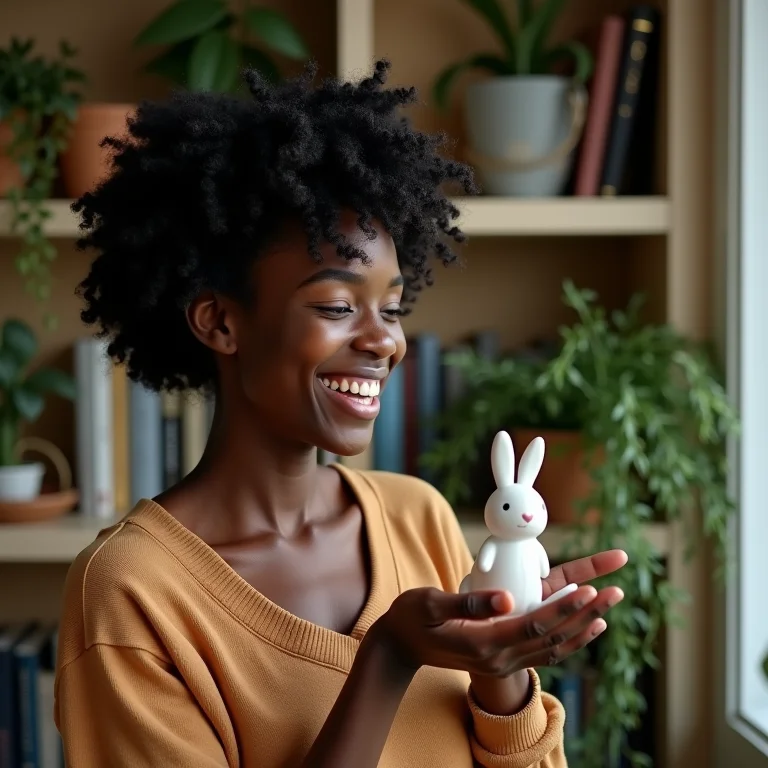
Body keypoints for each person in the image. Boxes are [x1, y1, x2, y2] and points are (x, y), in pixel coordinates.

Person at [54, 60, 627, 768]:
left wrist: (499, 674)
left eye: (391, 308)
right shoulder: (132, 591)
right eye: (335, 306)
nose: (383, 340)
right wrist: (387, 658)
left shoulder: (418, 518)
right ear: (219, 322)